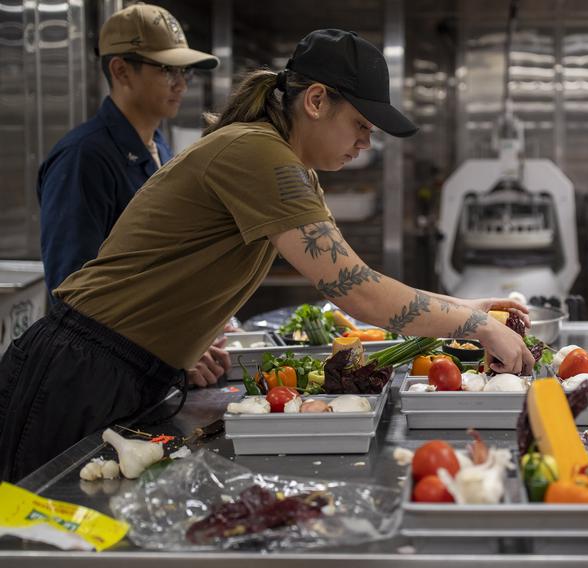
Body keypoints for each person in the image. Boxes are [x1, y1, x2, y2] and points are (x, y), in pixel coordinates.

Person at [0, 29, 534, 482]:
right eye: (361, 126)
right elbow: (356, 289)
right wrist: (474, 324)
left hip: (122, 369)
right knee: (43, 540)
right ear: (317, 100)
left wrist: (473, 313)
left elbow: (358, 277)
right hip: (79, 370)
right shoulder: (257, 153)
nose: (364, 144)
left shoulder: (285, 164)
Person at [36, 4, 230, 388]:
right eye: (166, 70)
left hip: (145, 370)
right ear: (121, 70)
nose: (181, 83)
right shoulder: (83, 158)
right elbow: (75, 295)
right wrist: (166, 351)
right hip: (98, 377)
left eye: (184, 71)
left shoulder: (158, 144)